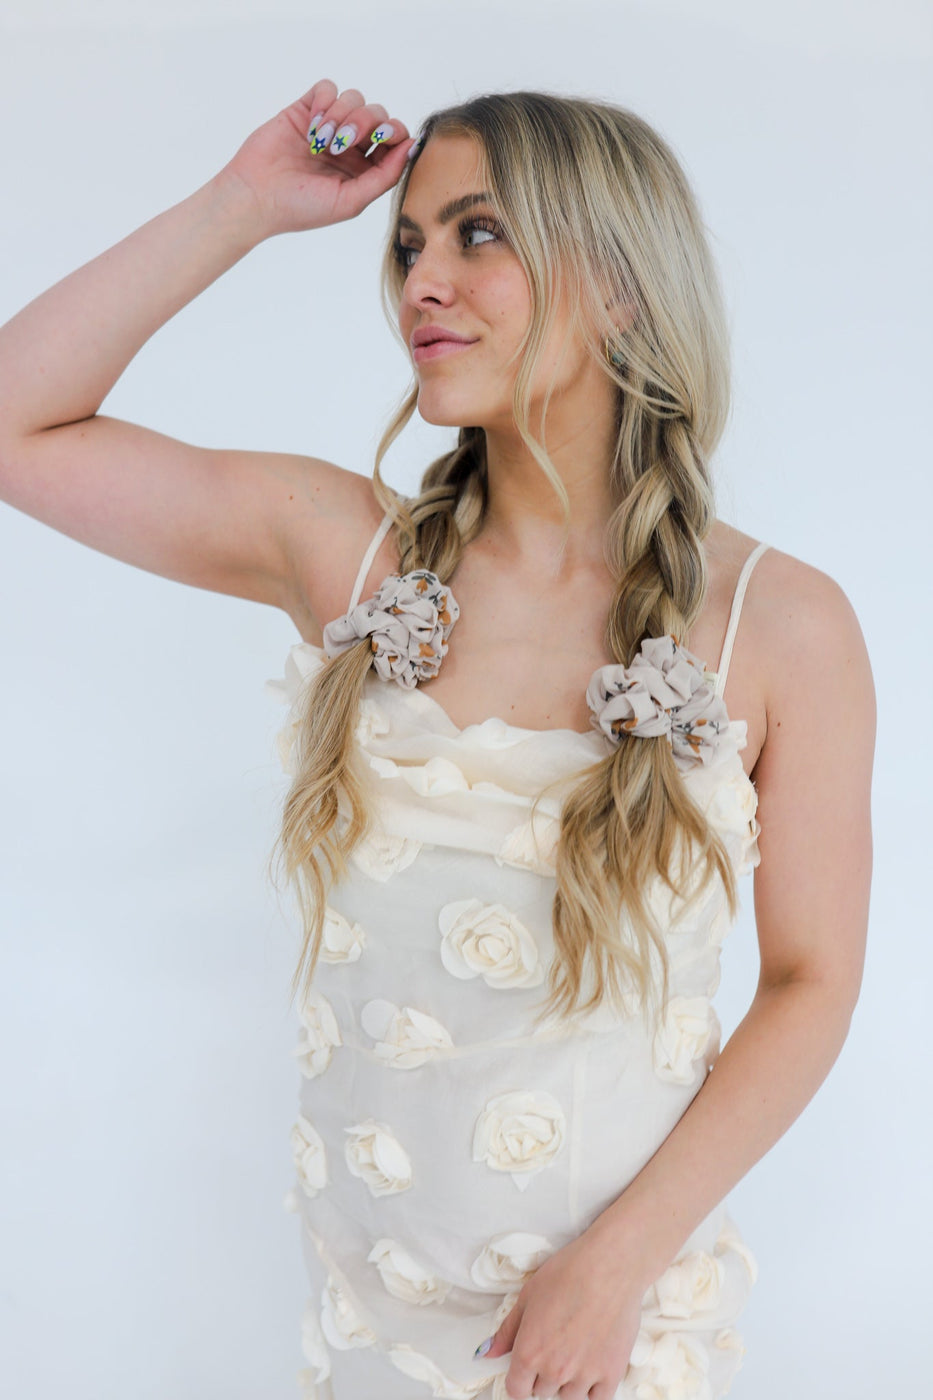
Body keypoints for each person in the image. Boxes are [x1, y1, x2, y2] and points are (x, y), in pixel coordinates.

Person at [0, 79, 874, 1400]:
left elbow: (811, 981)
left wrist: (615, 1268)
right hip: (373, 1325)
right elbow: (18, 425)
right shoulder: (351, 559)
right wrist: (242, 203)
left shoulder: (781, 625)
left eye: (480, 234)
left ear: (618, 282)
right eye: (409, 243)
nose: (422, 280)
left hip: (602, 1334)